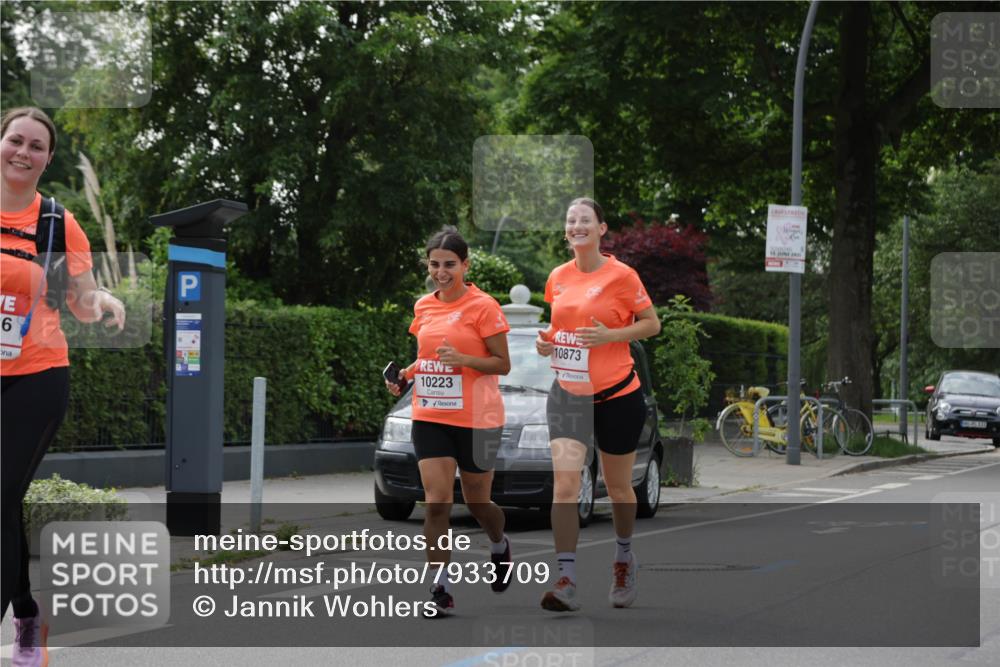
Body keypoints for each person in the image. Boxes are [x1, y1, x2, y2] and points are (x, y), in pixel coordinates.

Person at [1, 107, 126, 665]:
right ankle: (26, 613)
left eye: (35, 147)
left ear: (47, 160)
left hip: (36, 376)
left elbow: (81, 297)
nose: (22, 153)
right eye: (14, 141)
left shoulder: (56, 222)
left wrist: (104, 303)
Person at [535, 197, 661, 611]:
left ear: (601, 228)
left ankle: (624, 556)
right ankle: (566, 578)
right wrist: (545, 342)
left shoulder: (622, 276)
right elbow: (558, 328)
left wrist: (610, 336)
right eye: (571, 220)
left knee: (621, 488)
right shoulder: (557, 277)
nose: (577, 226)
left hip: (617, 396)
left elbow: (651, 323)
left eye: (585, 220)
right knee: (566, 486)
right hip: (568, 395)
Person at [385, 226, 513, 617]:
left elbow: (502, 364)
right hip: (431, 415)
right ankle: (440, 586)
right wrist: (405, 375)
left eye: (450, 265)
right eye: (435, 264)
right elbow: (428, 357)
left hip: (478, 417)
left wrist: (466, 361)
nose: (441, 272)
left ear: (465, 265)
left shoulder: (484, 306)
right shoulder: (423, 306)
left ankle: (499, 545)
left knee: (477, 501)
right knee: (437, 501)